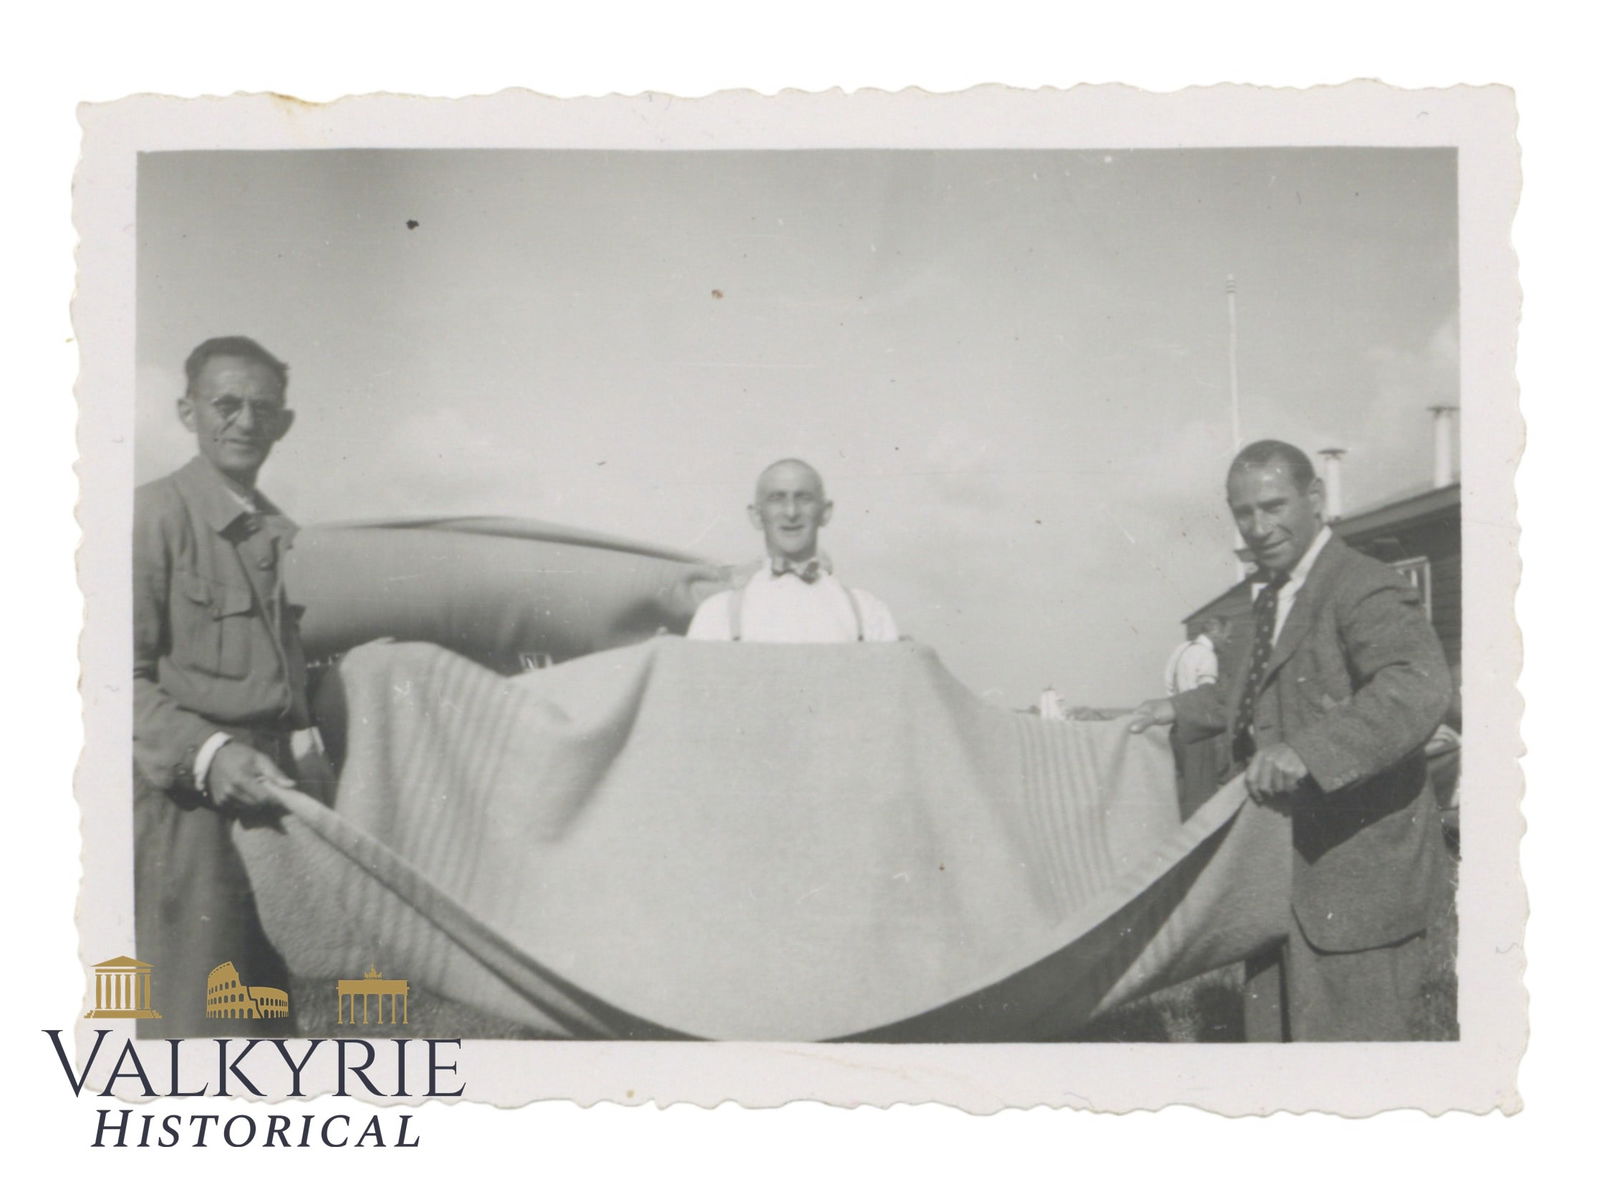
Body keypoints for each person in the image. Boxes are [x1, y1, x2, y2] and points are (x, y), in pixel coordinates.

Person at [1128, 440, 1453, 1041]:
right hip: (1278, 876)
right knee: (1283, 1063)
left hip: (1358, 887)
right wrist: (1169, 711)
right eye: (1243, 513)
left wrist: (1310, 751)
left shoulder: (1362, 584)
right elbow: (1241, 698)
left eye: (1273, 507)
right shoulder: (1272, 595)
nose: (1258, 527)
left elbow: (1417, 685)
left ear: (1315, 499)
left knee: (1360, 1080)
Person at [133, 336, 309, 1035]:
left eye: (262, 408)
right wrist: (209, 756)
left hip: (269, 801)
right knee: (194, 1020)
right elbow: (110, 682)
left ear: (284, 423)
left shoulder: (283, 535)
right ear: (187, 412)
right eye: (225, 404)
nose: (244, 422)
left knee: (262, 1019)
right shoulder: (153, 517)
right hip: (186, 809)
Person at [687, 459, 898, 643]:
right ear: (756, 516)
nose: (791, 512)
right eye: (777, 498)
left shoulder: (868, 612)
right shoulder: (717, 615)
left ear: (825, 512)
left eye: (804, 498)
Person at [1162, 616, 1228, 696]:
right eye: (1227, 636)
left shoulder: (1181, 647)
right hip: (1194, 706)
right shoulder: (1208, 655)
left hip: (1174, 703)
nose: (1229, 641)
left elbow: (1168, 679)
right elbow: (1206, 694)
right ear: (1215, 632)